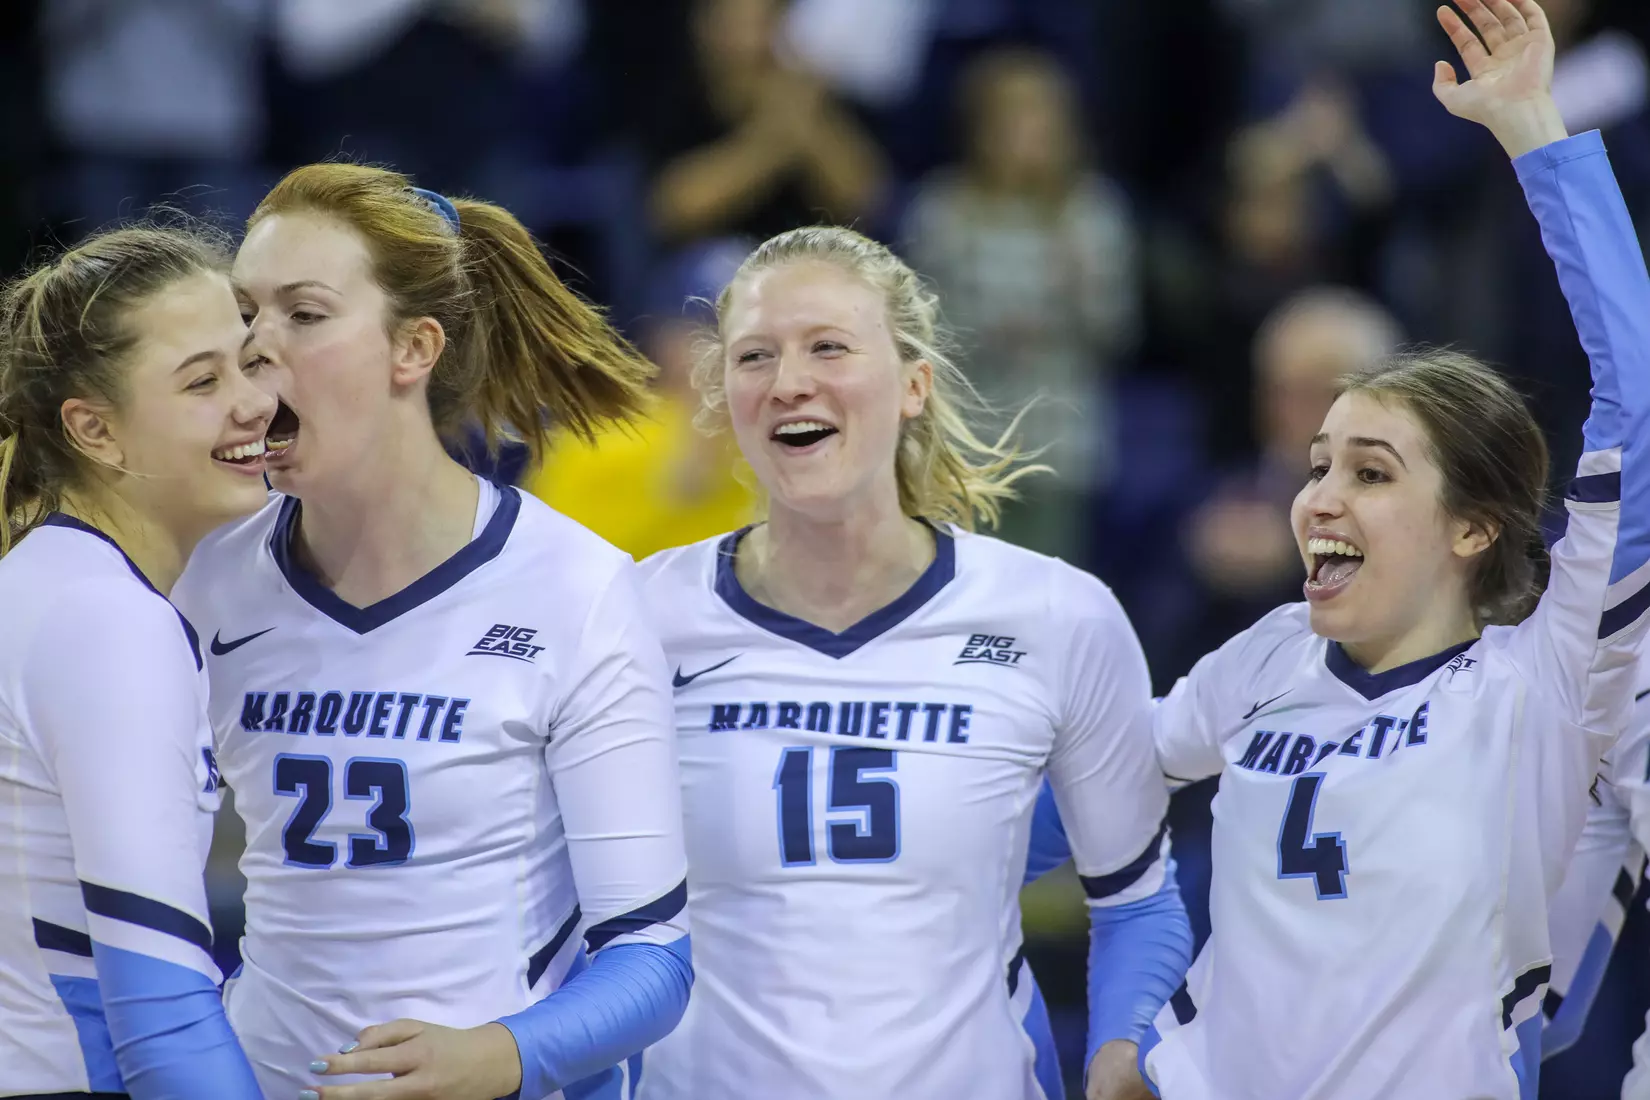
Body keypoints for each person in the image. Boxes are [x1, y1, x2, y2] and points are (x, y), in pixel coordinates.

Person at [1140, 2, 1649, 1097]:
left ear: (1473, 524)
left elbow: (1640, 400)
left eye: (1371, 471)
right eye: (1319, 464)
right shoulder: (1265, 656)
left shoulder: (1540, 681)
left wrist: (1532, 130)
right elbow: (1074, 798)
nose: (1319, 496)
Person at [633, 225, 1193, 1100]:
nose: (789, 383)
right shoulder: (635, 617)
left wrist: (1118, 1053)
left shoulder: (1057, 615)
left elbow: (1137, 902)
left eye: (828, 347)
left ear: (913, 386)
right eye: (754, 357)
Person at [170, 166, 692, 1100]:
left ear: (414, 348)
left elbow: (650, 959)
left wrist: (500, 1054)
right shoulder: (205, 577)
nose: (254, 346)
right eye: (245, 311)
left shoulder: (574, 586)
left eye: (304, 313)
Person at [0, 225, 271, 1098]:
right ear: (95, 430)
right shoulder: (105, 620)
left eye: (249, 361)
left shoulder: (56, 585)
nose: (254, 402)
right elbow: (161, 1019)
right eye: (203, 381)